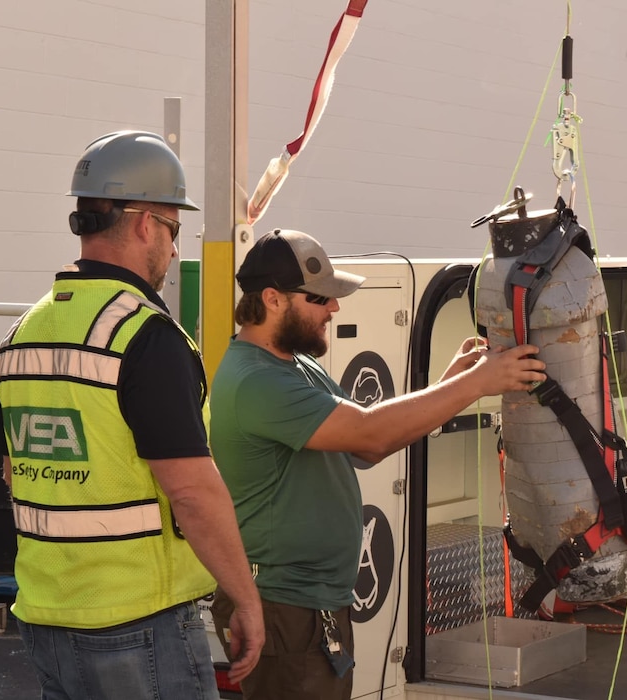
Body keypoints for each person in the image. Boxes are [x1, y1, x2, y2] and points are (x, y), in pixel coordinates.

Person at [207, 228, 546, 700]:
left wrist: (451, 381)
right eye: (320, 298)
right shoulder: (256, 382)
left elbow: (368, 440)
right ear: (272, 299)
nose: (334, 309)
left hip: (309, 606)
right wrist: (478, 384)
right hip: (286, 607)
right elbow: (372, 432)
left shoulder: (293, 365)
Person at [0, 130, 264, 699]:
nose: (172, 249)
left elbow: (15, 473)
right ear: (145, 223)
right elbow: (192, 492)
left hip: (44, 618)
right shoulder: (145, 336)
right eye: (174, 230)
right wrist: (245, 597)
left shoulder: (22, 335)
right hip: (138, 626)